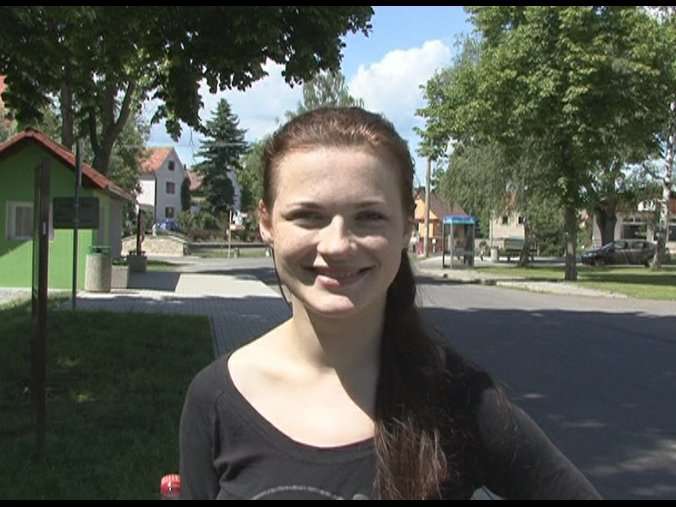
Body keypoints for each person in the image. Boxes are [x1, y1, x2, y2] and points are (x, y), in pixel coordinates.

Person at [178, 107, 602, 500]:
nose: (338, 244)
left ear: (405, 229)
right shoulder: (216, 399)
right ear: (267, 224)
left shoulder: (459, 400)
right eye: (308, 216)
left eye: (369, 217)